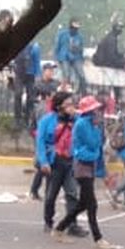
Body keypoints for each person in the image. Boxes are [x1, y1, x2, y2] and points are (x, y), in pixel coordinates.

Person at [62, 95, 116, 249]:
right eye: (95, 110)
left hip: (91, 166)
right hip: (82, 165)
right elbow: (87, 147)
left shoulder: (95, 126)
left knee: (83, 204)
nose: (98, 112)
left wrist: (103, 171)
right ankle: (98, 238)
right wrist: (94, 154)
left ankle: (60, 228)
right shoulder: (81, 125)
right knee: (91, 204)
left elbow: (97, 147)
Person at [37, 92, 84, 235]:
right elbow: (40, 142)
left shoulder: (77, 120)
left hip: (70, 161)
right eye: (68, 104)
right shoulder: (47, 121)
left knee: (72, 194)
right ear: (59, 107)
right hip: (54, 162)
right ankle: (48, 221)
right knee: (51, 195)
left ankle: (72, 225)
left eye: (72, 104)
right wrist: (43, 161)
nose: (71, 107)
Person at [12, 40, 41, 124]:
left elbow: (37, 62)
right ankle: (17, 118)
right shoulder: (17, 46)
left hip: (30, 74)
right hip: (19, 73)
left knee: (30, 97)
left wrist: (38, 75)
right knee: (18, 93)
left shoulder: (35, 47)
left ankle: (27, 118)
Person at [54, 18, 86, 93]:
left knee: (81, 74)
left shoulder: (79, 37)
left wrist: (80, 56)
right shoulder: (62, 34)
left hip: (76, 57)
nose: (74, 30)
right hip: (64, 57)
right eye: (73, 28)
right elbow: (57, 47)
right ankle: (66, 90)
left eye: (76, 29)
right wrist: (56, 58)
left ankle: (83, 91)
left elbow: (81, 50)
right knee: (66, 73)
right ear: (70, 27)